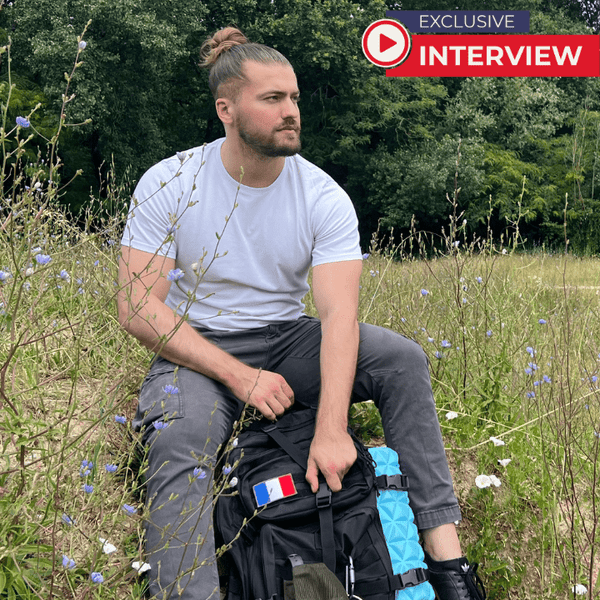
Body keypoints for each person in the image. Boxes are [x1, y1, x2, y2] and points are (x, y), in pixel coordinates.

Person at [118, 26, 486, 600]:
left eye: (293, 98)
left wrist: (332, 428)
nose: (291, 112)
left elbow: (340, 315)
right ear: (227, 109)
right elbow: (139, 306)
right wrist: (240, 377)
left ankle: (448, 564)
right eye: (272, 99)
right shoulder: (172, 181)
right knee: (180, 436)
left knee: (400, 359)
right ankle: (188, 593)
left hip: (291, 340)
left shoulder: (322, 194)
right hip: (199, 346)